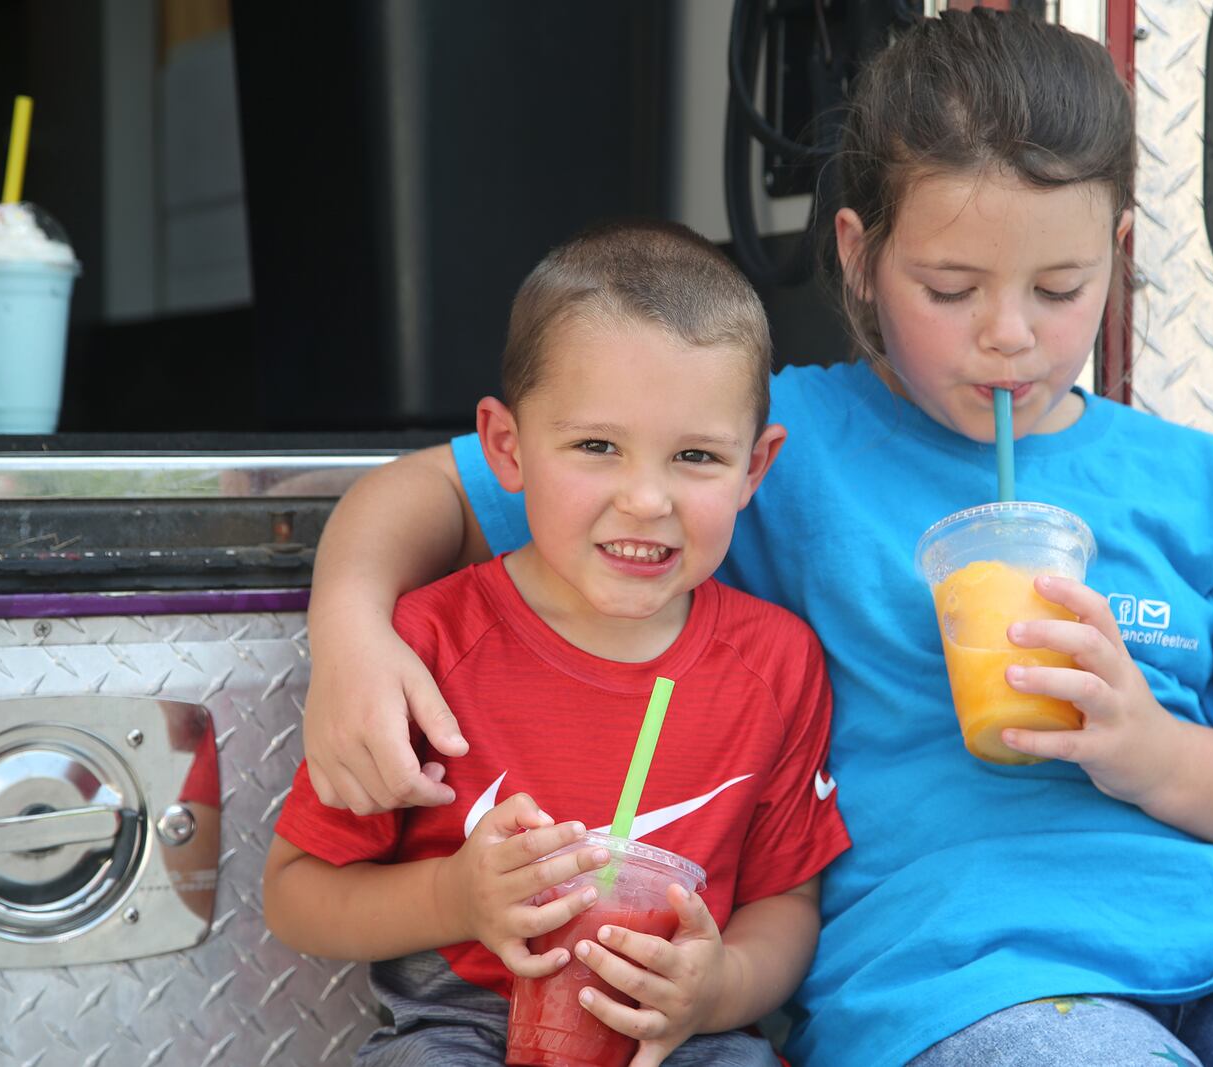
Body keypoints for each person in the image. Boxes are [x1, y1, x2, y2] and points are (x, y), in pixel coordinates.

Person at [294, 10, 1213, 1067]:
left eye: (1060, 285)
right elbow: (425, 494)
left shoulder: (1212, 489)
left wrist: (1147, 747)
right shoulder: (769, 448)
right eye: (949, 287)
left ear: (1118, 245)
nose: (1009, 336)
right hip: (960, 985)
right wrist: (349, 633)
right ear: (855, 253)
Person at [263, 219, 851, 1067]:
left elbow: (785, 904)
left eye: (695, 455)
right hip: (464, 1031)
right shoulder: (427, 643)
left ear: (756, 468)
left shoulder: (778, 665)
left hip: (677, 1039)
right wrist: (456, 896)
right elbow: (294, 896)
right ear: (508, 446)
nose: (647, 498)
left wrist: (715, 988)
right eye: (596, 447)